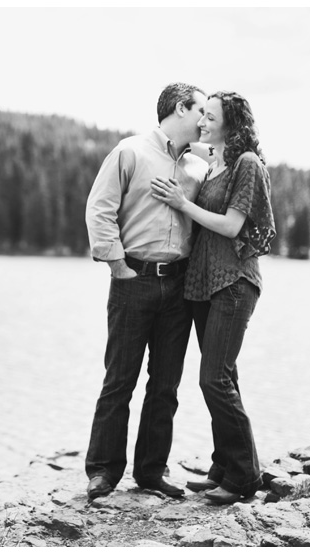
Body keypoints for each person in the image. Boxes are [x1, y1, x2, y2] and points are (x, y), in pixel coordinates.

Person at [83, 83, 210, 500]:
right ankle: (103, 471)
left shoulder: (197, 167)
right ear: (179, 108)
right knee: (120, 379)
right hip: (132, 280)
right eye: (201, 112)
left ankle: (151, 472)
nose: (205, 121)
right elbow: (99, 209)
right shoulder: (130, 152)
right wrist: (118, 267)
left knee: (166, 385)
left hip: (178, 286)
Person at [150, 90, 276, 504]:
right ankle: (227, 466)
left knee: (213, 379)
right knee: (226, 379)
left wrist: (182, 203)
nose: (202, 119)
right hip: (204, 284)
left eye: (210, 114)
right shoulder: (218, 160)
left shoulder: (247, 164)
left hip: (234, 282)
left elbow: (232, 227)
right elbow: (190, 144)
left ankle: (242, 479)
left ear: (231, 123)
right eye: (200, 113)